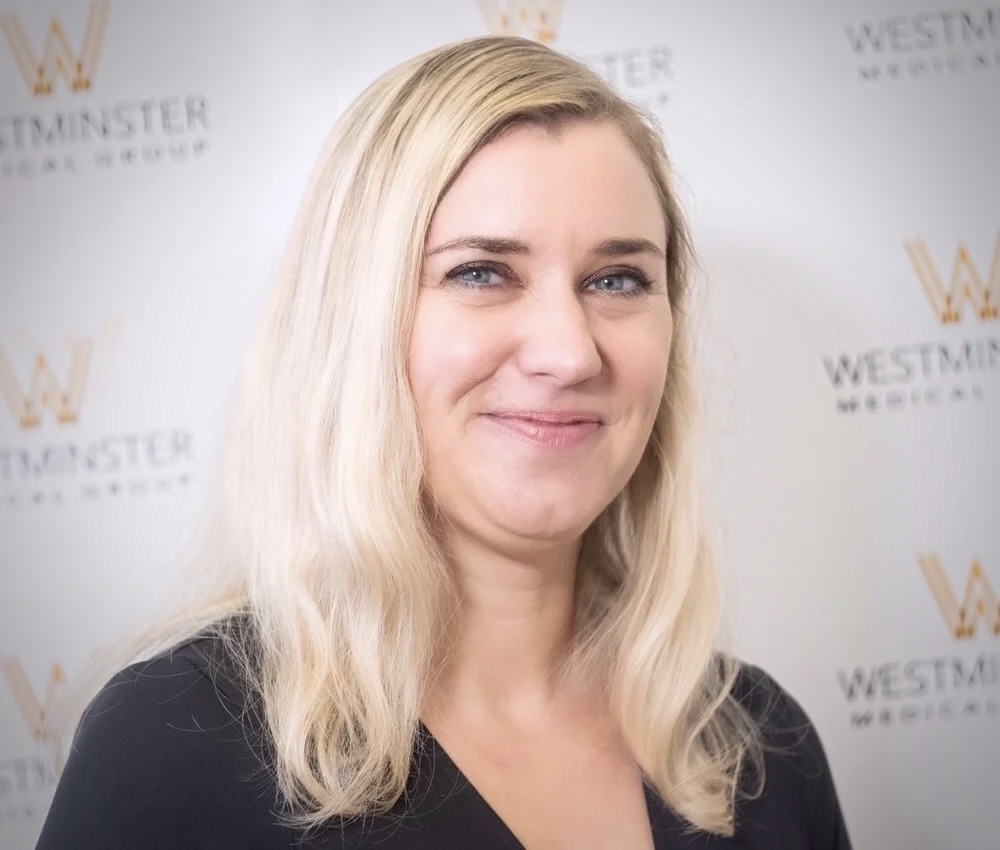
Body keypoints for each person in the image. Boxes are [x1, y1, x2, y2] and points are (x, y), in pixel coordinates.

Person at [35, 35, 851, 850]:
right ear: (355, 322)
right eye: (481, 273)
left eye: (617, 280)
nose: (569, 353)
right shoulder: (168, 750)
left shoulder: (758, 749)